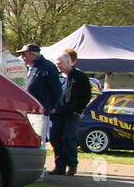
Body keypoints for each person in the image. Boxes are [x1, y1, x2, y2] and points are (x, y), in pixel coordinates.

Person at [16, 43, 63, 150]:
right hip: (28, 110)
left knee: (39, 139)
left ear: (33, 55)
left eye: (24, 54)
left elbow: (56, 89)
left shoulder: (47, 67)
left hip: (41, 110)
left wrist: (54, 106)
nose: (22, 57)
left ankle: (39, 163)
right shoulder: (28, 67)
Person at [55, 48, 92, 176]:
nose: (58, 66)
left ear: (68, 63)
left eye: (60, 63)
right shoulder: (57, 76)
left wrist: (78, 109)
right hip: (57, 113)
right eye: (56, 63)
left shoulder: (80, 76)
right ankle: (59, 167)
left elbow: (87, 95)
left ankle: (72, 165)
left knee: (68, 139)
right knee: (56, 139)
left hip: (72, 114)